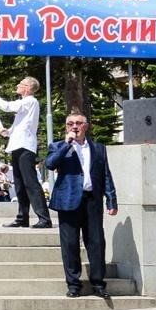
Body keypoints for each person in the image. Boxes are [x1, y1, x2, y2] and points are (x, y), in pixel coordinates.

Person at [45, 111, 118, 299]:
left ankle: (98, 284)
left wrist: (111, 199)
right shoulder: (58, 146)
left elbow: (106, 174)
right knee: (70, 244)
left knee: (96, 242)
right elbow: (50, 164)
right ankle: (74, 285)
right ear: (66, 127)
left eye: (78, 123)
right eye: (70, 124)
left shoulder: (99, 148)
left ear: (86, 126)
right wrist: (67, 144)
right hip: (68, 200)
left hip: (92, 200)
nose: (74, 127)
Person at [0, 77, 51, 229]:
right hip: (18, 146)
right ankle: (22, 217)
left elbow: (6, 106)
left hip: (25, 148)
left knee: (31, 183)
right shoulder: (26, 104)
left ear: (28, 88)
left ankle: (44, 218)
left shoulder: (30, 101)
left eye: (21, 84)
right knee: (20, 185)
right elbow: (22, 126)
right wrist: (8, 132)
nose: (17, 85)